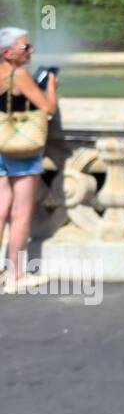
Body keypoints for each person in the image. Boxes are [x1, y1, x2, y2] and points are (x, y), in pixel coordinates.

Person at [0, 27, 56, 294]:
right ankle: (16, 275)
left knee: (0, 211)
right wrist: (52, 85)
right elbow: (48, 108)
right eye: (25, 47)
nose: (30, 50)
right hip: (22, 149)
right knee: (20, 214)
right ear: (7, 52)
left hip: (0, 145)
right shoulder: (19, 74)